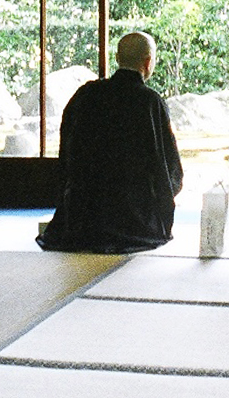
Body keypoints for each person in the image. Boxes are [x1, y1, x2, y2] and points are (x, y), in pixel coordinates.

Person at [37, 31, 183, 253]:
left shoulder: (86, 94)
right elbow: (167, 167)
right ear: (148, 62)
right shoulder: (150, 102)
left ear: (117, 58)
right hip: (135, 220)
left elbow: (66, 153)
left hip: (82, 217)